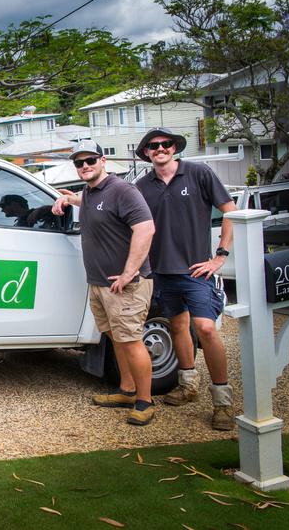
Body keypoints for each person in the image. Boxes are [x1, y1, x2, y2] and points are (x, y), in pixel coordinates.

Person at [133, 127, 237, 430]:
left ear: (174, 148)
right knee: (178, 326)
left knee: (206, 328)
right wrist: (75, 202)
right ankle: (188, 385)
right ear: (146, 153)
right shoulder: (142, 186)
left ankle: (223, 402)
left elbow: (230, 211)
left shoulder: (198, 173)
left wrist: (220, 256)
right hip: (161, 271)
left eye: (165, 144)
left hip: (196, 271)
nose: (160, 149)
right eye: (153, 146)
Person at [52, 141, 157, 425]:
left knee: (131, 341)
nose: (85, 166)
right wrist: (67, 200)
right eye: (79, 163)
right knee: (115, 336)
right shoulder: (90, 192)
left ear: (103, 161)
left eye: (90, 160)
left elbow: (146, 229)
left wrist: (129, 272)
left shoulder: (123, 190)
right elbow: (91, 203)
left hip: (126, 285)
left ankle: (145, 401)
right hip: (101, 283)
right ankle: (127, 390)